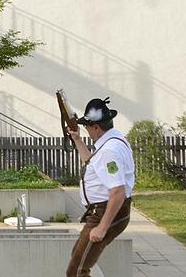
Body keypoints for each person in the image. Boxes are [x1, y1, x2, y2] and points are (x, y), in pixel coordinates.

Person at [66, 97, 136, 277]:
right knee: (77, 262)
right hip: (102, 211)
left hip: (107, 212)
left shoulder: (109, 151)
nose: (86, 130)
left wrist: (102, 227)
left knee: (78, 270)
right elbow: (92, 163)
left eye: (87, 127)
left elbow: (118, 192)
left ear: (96, 128)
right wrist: (77, 140)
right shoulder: (112, 141)